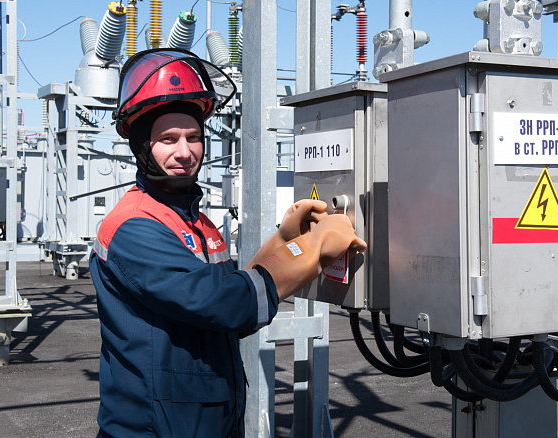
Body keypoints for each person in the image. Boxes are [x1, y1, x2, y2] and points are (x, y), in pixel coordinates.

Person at [89, 48, 366, 438]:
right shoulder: (134, 226)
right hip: (154, 429)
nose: (184, 152)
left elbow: (233, 291)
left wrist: (286, 239)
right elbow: (222, 303)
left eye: (193, 137)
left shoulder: (197, 222)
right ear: (140, 145)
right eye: (168, 139)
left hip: (201, 423)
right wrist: (316, 248)